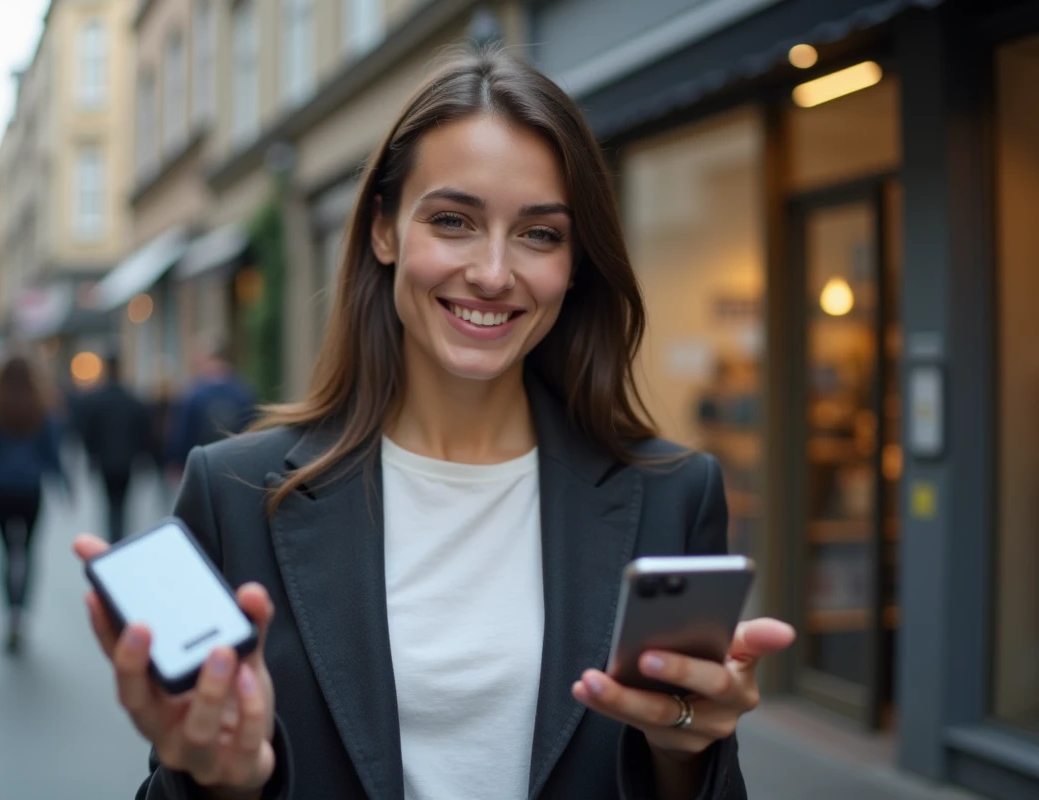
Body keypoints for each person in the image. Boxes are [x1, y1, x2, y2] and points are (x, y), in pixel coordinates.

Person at [75, 49, 796, 799]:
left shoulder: (671, 494)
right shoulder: (236, 493)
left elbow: (694, 771)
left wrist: (687, 750)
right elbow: (180, 776)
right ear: (384, 230)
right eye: (453, 221)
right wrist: (225, 779)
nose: (492, 271)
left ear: (577, 262)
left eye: (540, 234)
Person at [0, 356, 69, 654]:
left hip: (1, 489)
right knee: (28, 552)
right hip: (31, 488)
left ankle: (9, 612)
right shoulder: (41, 408)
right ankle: (22, 613)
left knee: (5, 552)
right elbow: (52, 452)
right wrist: (64, 485)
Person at [80, 353, 156, 543]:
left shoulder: (97, 401)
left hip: (105, 460)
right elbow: (144, 431)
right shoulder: (132, 400)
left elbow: (88, 432)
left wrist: (92, 456)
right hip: (127, 460)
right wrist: (144, 455)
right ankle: (120, 537)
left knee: (110, 502)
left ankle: (113, 536)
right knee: (123, 502)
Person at [163, 336, 257, 479]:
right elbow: (253, 430)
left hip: (202, 467)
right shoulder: (243, 391)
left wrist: (176, 462)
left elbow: (182, 433)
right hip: (236, 467)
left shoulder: (193, 394)